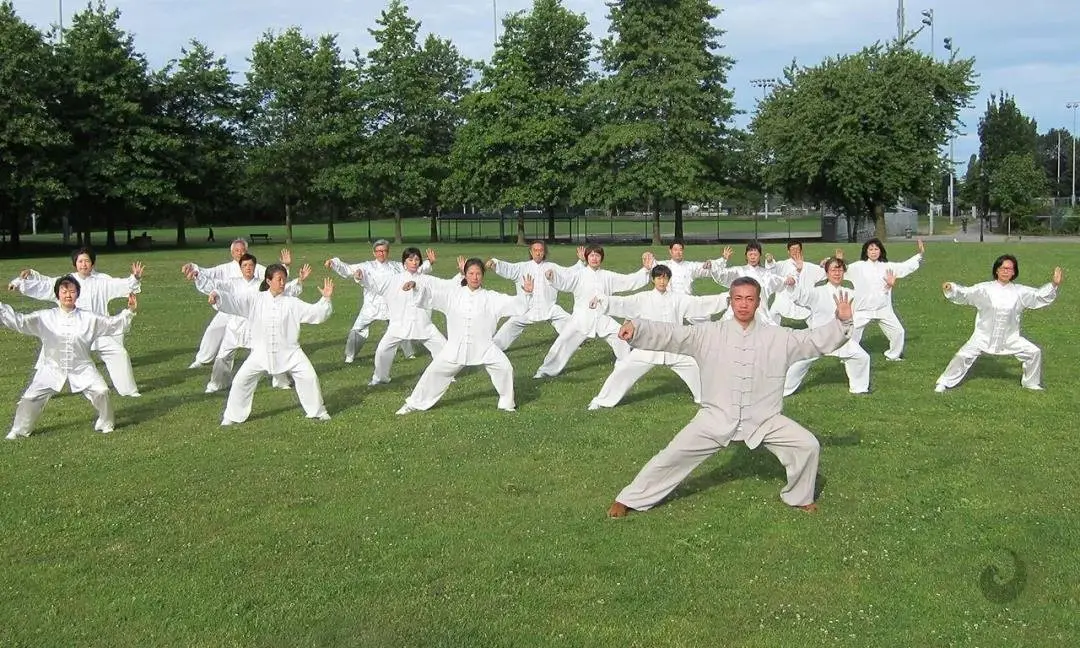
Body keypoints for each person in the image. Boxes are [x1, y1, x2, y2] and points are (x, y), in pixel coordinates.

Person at [607, 276, 854, 518]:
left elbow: (812, 341)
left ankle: (799, 497)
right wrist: (638, 328)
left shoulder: (779, 337)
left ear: (758, 303)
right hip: (715, 417)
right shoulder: (709, 333)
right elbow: (674, 334)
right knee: (671, 456)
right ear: (730, 301)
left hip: (765, 419)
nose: (743, 304)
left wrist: (840, 323)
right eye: (738, 298)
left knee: (807, 445)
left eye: (749, 299)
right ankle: (630, 499)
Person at [1, 275, 138, 439]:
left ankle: (106, 423)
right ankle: (19, 429)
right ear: (58, 295)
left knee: (101, 391)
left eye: (72, 292)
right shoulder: (44, 317)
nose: (68, 295)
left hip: (82, 367)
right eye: (64, 291)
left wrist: (129, 311)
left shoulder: (89, 318)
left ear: (77, 295)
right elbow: (20, 321)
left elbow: (112, 324)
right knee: (30, 397)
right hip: (51, 367)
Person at [395, 258, 534, 414]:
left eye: (478, 274)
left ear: (483, 276)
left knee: (505, 368)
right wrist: (416, 287)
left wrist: (526, 293)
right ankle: (414, 403)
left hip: (484, 347)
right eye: (471, 273)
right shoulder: (453, 295)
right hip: (455, 347)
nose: (475, 277)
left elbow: (516, 305)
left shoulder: (492, 298)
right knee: (433, 373)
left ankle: (507, 404)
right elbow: (431, 295)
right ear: (465, 275)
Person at [586, 264, 730, 410]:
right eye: (659, 278)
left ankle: (707, 399)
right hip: (648, 347)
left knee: (695, 367)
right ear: (653, 280)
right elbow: (623, 302)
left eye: (665, 278)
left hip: (674, 347)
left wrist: (725, 298)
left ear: (669, 280)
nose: (662, 281)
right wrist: (602, 299)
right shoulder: (643, 298)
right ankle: (601, 400)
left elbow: (699, 303)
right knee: (623, 370)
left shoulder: (678, 299)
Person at [9, 247, 144, 397]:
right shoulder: (67, 282)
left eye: (87, 261)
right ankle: (41, 392)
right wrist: (22, 281)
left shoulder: (102, 281)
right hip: (72, 330)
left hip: (98, 329)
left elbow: (122, 285)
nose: (84, 264)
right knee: (53, 358)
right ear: (75, 264)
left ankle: (129, 391)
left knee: (119, 353)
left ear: (92, 264)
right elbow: (45, 285)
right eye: (80, 261)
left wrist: (135, 278)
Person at [210, 265, 334, 425]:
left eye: (284, 279)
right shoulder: (255, 299)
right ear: (268, 281)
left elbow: (315, 313)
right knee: (241, 380)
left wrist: (325, 299)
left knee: (309, 377)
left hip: (291, 351)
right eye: (279, 279)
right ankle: (232, 416)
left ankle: (318, 411)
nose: (282, 283)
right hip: (260, 352)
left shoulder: (292, 303)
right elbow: (235, 301)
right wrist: (218, 296)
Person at [934, 256, 1062, 392]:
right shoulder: (984, 289)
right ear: (997, 270)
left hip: (1010, 337)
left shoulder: (1020, 291)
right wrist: (951, 288)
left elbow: (1038, 296)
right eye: (1003, 268)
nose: (1006, 271)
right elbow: (966, 293)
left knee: (1034, 352)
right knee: (962, 356)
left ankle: (1031, 383)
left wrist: (1054, 284)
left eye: (1010, 269)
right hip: (983, 335)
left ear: (1014, 272)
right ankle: (944, 382)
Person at [188, 253, 309, 393]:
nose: (248, 268)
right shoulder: (232, 283)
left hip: (255, 328)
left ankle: (281, 380)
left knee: (270, 352)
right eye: (245, 265)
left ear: (255, 267)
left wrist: (299, 280)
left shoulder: (261, 285)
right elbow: (215, 286)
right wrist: (201, 279)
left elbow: (283, 287)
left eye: (251, 265)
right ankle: (217, 384)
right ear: (240, 268)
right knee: (223, 357)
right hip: (235, 328)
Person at [533, 246, 654, 379]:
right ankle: (546, 370)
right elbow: (565, 282)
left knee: (622, 337)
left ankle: (624, 366)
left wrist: (645, 270)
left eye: (597, 255)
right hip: (581, 318)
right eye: (591, 255)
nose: (594, 258)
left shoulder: (608, 276)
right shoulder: (579, 275)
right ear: (587, 258)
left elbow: (628, 281)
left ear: (601, 258)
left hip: (602, 317)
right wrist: (552, 277)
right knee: (563, 342)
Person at [181, 240, 290, 368]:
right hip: (228, 308)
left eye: (243, 250)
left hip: (249, 311)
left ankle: (271, 366)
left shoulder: (256, 268)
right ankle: (202, 359)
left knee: (261, 339)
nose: (240, 253)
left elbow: (276, 277)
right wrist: (194, 270)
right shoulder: (225, 268)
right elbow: (208, 274)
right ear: (232, 253)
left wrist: (285, 266)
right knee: (213, 330)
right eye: (237, 251)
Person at [325, 240, 436, 363]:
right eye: (379, 251)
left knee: (401, 325)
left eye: (384, 251)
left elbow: (414, 269)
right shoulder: (366, 266)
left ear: (388, 252)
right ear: (374, 253)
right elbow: (348, 269)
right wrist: (333, 263)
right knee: (358, 328)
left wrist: (429, 262)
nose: (382, 253)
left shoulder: (396, 266)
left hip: (391, 304)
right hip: (371, 305)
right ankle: (350, 355)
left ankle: (409, 353)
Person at [355, 247, 448, 386]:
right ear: (404, 262)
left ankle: (445, 375)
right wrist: (361, 277)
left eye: (417, 259)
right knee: (382, 351)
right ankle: (380, 378)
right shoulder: (394, 280)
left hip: (423, 324)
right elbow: (375, 284)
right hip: (398, 325)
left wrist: (461, 275)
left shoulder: (426, 279)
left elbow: (446, 285)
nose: (414, 262)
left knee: (443, 347)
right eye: (410, 259)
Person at [782, 257, 871, 396]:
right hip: (818, 338)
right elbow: (800, 296)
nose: (837, 273)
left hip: (839, 339)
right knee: (798, 362)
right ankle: (783, 391)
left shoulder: (850, 293)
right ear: (827, 273)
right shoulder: (818, 292)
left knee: (861, 357)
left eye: (840, 270)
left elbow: (866, 303)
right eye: (833, 270)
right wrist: (792, 285)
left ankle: (859, 389)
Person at [837, 237, 924, 361]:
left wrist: (919, 255)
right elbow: (840, 272)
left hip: (883, 308)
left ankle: (893, 356)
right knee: (852, 334)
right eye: (870, 249)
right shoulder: (858, 266)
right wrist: (839, 261)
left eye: (876, 249)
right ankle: (847, 356)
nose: (873, 252)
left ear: (880, 251)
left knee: (898, 332)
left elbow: (905, 266)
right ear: (866, 251)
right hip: (863, 309)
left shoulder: (887, 266)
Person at [487, 241, 580, 351]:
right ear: (531, 252)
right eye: (535, 250)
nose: (538, 253)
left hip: (548, 307)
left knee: (568, 320)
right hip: (526, 308)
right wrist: (494, 263)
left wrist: (581, 262)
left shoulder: (552, 267)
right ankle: (494, 348)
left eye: (540, 250)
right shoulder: (522, 267)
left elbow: (569, 273)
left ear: (544, 252)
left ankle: (576, 341)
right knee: (511, 324)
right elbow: (508, 268)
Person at [710, 241, 787, 325]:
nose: (753, 257)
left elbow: (779, 281)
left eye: (755, 255)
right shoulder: (739, 271)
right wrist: (724, 259)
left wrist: (789, 280)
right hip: (739, 310)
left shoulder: (765, 274)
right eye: (750, 254)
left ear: (759, 256)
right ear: (746, 256)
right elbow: (721, 275)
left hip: (760, 313)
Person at [769, 240, 827, 322]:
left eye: (797, 249)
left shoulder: (810, 267)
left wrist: (826, 263)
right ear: (788, 252)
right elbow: (771, 269)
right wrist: (770, 261)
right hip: (783, 307)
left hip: (805, 310)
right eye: (792, 249)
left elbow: (828, 272)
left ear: (801, 251)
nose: (795, 252)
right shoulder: (782, 265)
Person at [658, 240, 715, 324]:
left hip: (687, 300)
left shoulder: (689, 266)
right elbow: (651, 265)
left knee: (704, 317)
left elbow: (704, 267)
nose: (678, 252)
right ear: (670, 251)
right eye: (675, 250)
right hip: (670, 301)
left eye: (680, 250)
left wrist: (711, 263)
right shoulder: (664, 266)